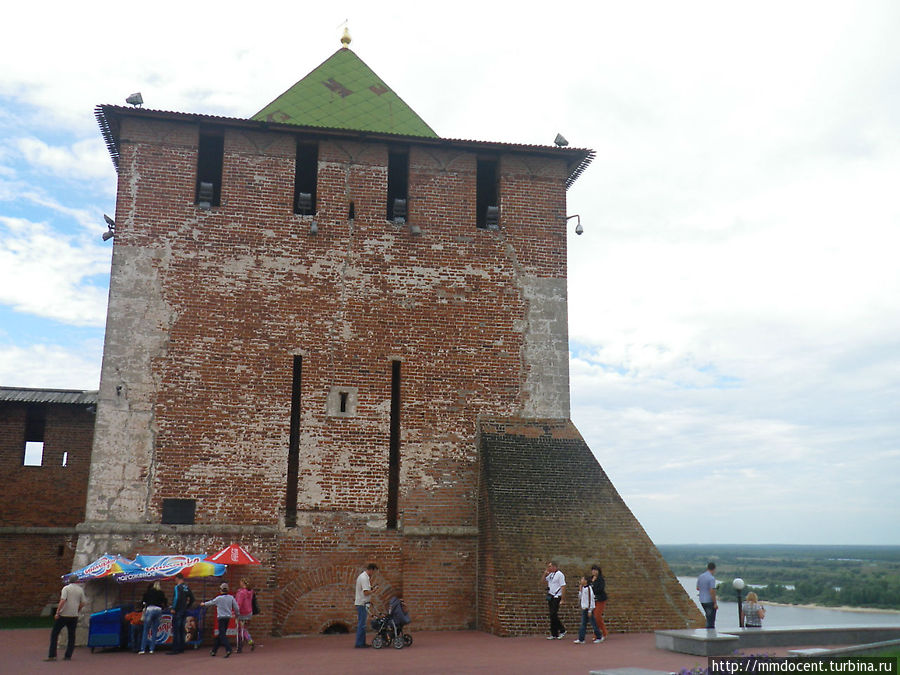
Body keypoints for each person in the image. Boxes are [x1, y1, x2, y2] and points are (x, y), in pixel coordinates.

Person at [44, 574, 86, 661]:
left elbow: (63, 600)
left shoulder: (66, 588)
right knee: (71, 635)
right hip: (74, 615)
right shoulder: (80, 590)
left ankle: (52, 655)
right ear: (77, 581)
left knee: (55, 633)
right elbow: (83, 603)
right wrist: (77, 610)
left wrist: (57, 612)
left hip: (64, 614)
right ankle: (68, 655)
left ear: (69, 580)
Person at [203, 582, 240, 658]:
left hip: (221, 618)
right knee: (220, 634)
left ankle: (228, 648)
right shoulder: (231, 597)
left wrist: (203, 604)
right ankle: (214, 650)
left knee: (222, 635)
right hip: (227, 618)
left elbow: (211, 603)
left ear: (220, 590)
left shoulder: (219, 598)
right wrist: (237, 614)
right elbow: (236, 608)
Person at [167, 572, 194, 655]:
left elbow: (176, 598)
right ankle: (182, 647)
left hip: (178, 610)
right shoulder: (186, 587)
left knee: (176, 630)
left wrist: (173, 608)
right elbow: (192, 598)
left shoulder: (177, 587)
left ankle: (175, 648)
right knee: (182, 629)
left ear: (177, 579)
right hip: (184, 610)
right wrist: (187, 606)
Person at [354, 563, 379, 648]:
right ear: (371, 570)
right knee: (362, 624)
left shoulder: (363, 577)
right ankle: (359, 643)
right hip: (362, 603)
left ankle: (361, 642)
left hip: (362, 603)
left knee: (362, 623)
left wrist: (371, 588)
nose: (373, 574)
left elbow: (365, 589)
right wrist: (373, 591)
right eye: (374, 571)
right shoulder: (364, 578)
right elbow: (365, 592)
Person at [573, 574, 603, 644]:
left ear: (586, 581)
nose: (581, 581)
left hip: (588, 609)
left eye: (582, 579)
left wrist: (590, 610)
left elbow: (591, 600)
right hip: (584, 608)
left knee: (593, 624)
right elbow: (580, 597)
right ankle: (581, 639)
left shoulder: (589, 589)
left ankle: (599, 636)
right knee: (583, 624)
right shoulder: (583, 588)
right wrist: (580, 591)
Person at [139, 580, 167, 654]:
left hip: (150, 609)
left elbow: (143, 602)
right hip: (158, 610)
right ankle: (152, 649)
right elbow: (164, 602)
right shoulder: (161, 593)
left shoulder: (148, 592)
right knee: (154, 631)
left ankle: (143, 649)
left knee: (146, 630)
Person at [542, 561, 567, 639]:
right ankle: (554, 633)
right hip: (551, 596)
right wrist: (544, 574)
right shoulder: (551, 574)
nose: (548, 568)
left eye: (550, 566)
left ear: (554, 567)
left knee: (553, 614)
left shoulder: (560, 575)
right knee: (551, 615)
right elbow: (542, 581)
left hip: (557, 596)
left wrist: (562, 599)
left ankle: (562, 630)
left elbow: (563, 586)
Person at [234, 577, 256, 652]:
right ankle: (249, 640)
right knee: (244, 629)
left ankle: (240, 646)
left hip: (241, 613)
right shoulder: (251, 592)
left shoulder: (241, 593)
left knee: (239, 630)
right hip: (249, 613)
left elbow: (238, 604)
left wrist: (235, 612)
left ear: (243, 583)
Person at [697, 562, 718, 629]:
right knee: (711, 620)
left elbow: (697, 588)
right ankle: (710, 635)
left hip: (702, 600)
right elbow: (712, 591)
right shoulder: (711, 578)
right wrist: (715, 603)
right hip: (709, 601)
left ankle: (708, 632)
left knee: (708, 617)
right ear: (714, 569)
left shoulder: (701, 576)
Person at [590, 564, 608, 642]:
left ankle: (598, 634)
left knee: (597, 616)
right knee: (595, 617)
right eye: (593, 570)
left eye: (595, 570)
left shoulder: (601, 579)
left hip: (600, 599)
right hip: (592, 600)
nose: (594, 571)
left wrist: (592, 589)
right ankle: (604, 632)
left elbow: (600, 589)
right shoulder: (590, 579)